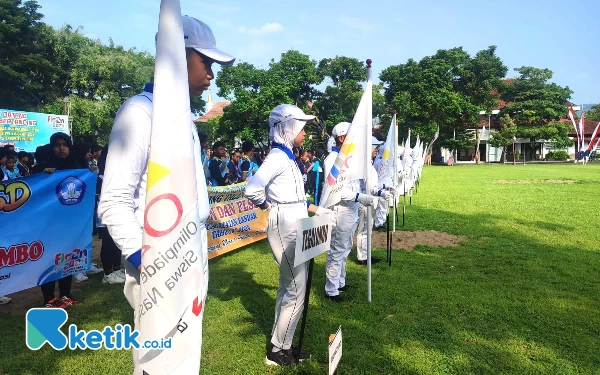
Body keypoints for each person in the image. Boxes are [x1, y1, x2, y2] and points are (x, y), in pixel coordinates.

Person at [98, 15, 234, 375]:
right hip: (158, 263)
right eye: (206, 62)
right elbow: (113, 201)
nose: (211, 75)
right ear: (175, 53)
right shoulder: (140, 112)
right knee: (158, 362)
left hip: (191, 256)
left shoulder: (182, 119)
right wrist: (150, 264)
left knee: (185, 357)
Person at [245, 104, 333, 366]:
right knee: (296, 289)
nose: (305, 133)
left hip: (294, 222)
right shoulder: (277, 158)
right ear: (287, 128)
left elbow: (295, 198)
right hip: (285, 225)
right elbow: (253, 189)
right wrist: (268, 207)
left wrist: (319, 209)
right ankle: (277, 350)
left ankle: (283, 344)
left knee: (290, 288)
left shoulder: (287, 157)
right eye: (301, 127)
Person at [323, 122, 377, 302]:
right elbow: (335, 189)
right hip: (340, 209)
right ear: (341, 138)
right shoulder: (332, 159)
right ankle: (331, 289)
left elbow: (357, 183)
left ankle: (340, 281)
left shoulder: (349, 158)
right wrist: (360, 197)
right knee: (337, 249)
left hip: (351, 208)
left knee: (346, 248)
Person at [33, 132, 86, 308]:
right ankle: (49, 299)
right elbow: (33, 189)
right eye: (57, 145)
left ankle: (65, 295)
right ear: (51, 147)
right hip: (47, 225)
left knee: (67, 259)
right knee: (48, 260)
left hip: (69, 224)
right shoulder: (42, 168)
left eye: (65, 144)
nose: (61, 149)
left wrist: (91, 172)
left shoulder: (78, 167)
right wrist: (43, 175)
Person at [356, 137, 395, 265]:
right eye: (375, 148)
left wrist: (385, 187)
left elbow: (375, 184)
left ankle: (365, 254)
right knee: (364, 230)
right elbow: (370, 188)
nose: (376, 150)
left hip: (369, 201)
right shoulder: (365, 166)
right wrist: (381, 193)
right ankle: (362, 257)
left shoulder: (368, 164)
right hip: (365, 201)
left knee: (368, 230)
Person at [96, 144, 125, 284]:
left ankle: (117, 269)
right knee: (108, 242)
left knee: (117, 241)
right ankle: (107, 273)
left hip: (119, 211)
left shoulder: (118, 173)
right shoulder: (99, 175)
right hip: (105, 215)